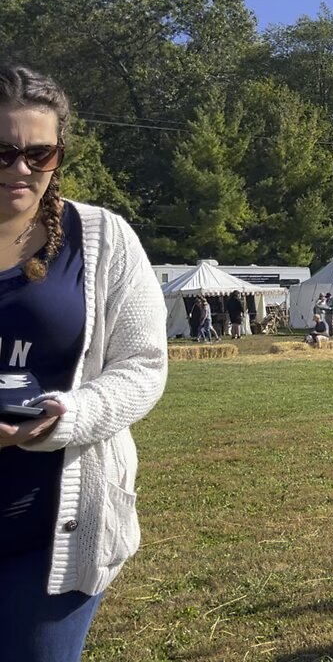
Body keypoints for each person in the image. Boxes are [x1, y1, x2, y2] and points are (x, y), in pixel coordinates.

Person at [0, 65, 169, 662]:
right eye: (2, 152)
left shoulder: (102, 237)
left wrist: (63, 416)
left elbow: (144, 365)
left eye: (39, 154)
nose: (21, 169)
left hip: (52, 536)